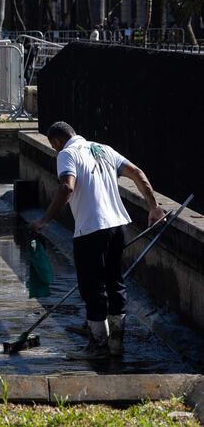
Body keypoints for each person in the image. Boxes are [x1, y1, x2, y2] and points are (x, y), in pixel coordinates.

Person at [32, 121, 165, 360]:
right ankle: (116, 345)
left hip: (90, 230)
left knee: (92, 289)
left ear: (57, 142)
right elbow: (138, 173)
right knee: (115, 284)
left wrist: (45, 220)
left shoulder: (66, 154)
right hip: (116, 227)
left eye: (54, 147)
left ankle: (98, 347)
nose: (55, 151)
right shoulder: (103, 149)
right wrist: (154, 207)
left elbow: (66, 187)